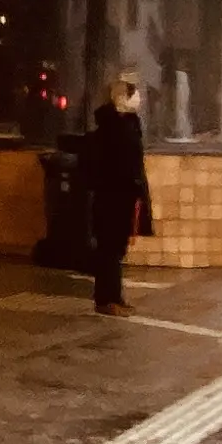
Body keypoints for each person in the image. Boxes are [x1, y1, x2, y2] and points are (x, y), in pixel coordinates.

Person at [81, 77, 150, 316]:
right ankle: (105, 299)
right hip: (111, 197)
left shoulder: (129, 125)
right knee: (108, 249)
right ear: (122, 98)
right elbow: (111, 165)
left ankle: (115, 296)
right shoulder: (112, 129)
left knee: (117, 249)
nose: (139, 99)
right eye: (135, 94)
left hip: (124, 197)